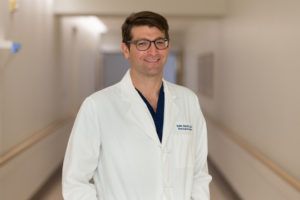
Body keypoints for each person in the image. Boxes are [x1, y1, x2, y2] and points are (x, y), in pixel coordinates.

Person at [62, 11, 212, 200]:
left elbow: (199, 172)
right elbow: (75, 182)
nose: (153, 51)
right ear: (126, 50)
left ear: (167, 46)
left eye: (159, 42)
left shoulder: (188, 101)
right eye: (142, 44)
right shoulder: (97, 106)